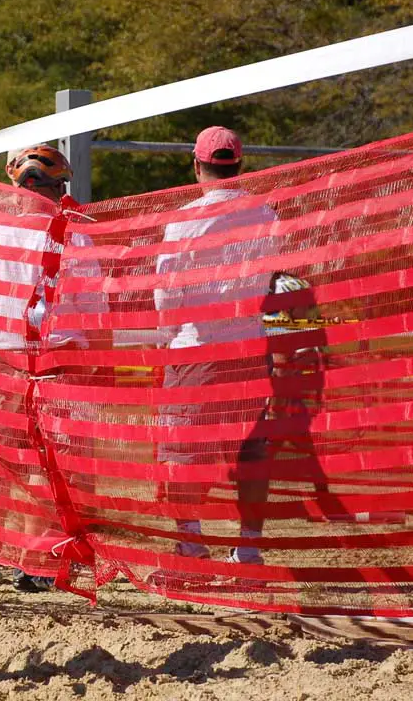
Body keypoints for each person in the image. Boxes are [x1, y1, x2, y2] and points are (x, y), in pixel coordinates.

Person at [0, 145, 108, 592]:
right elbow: (95, 317)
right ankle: (37, 562)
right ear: (59, 188)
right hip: (60, 368)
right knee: (51, 467)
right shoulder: (77, 239)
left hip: (4, 368)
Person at [152, 126, 277, 573]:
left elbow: (167, 293)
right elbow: (266, 278)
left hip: (196, 344)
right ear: (240, 164)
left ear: (196, 163)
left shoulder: (184, 220)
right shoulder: (264, 213)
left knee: (185, 450)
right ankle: (248, 548)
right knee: (251, 451)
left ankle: (190, 544)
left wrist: (168, 336)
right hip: (248, 343)